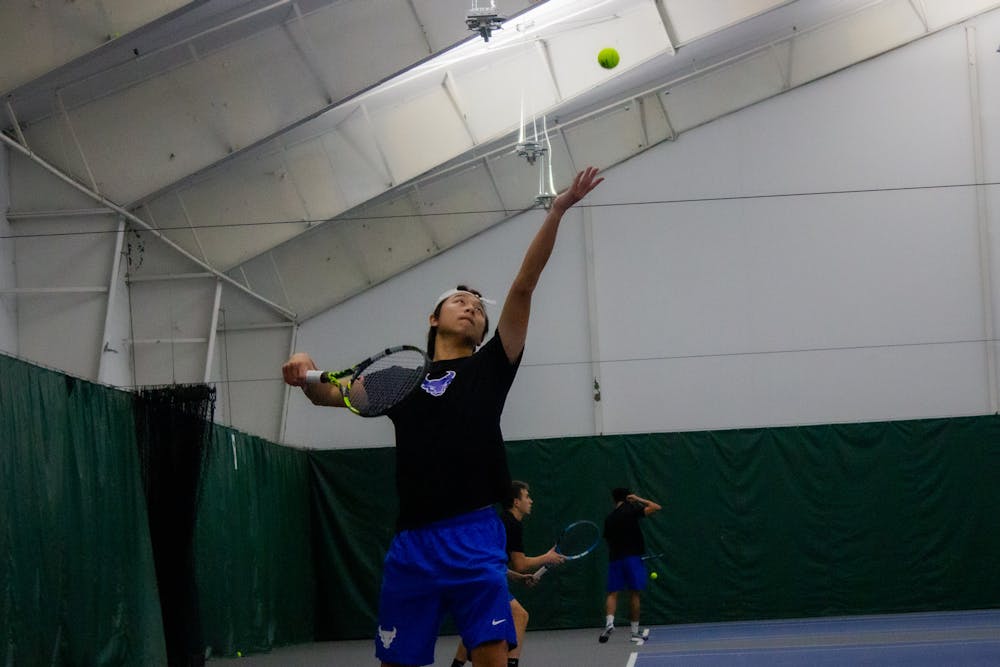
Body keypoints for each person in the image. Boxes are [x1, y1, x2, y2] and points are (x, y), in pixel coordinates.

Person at [282, 167, 604, 667]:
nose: (471, 308)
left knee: (492, 655)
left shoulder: (492, 366)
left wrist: (557, 212)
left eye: (478, 307)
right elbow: (334, 394)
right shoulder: (400, 382)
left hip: (475, 534)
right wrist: (304, 367)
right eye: (460, 302)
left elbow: (522, 289)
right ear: (433, 319)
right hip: (412, 543)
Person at [451, 481, 565, 667]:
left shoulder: (502, 521)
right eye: (526, 496)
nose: (531, 501)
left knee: (478, 621)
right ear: (516, 502)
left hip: (471, 575)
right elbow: (520, 563)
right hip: (479, 579)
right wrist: (547, 557)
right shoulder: (511, 524)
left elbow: (493, 561)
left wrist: (517, 578)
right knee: (519, 615)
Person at [599, 487, 662, 645]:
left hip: (615, 559)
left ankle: (609, 623)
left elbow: (608, 541)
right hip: (632, 558)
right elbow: (656, 507)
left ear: (614, 500)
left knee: (612, 593)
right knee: (634, 594)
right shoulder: (632, 511)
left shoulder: (609, 518)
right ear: (628, 497)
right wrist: (639, 499)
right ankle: (634, 633)